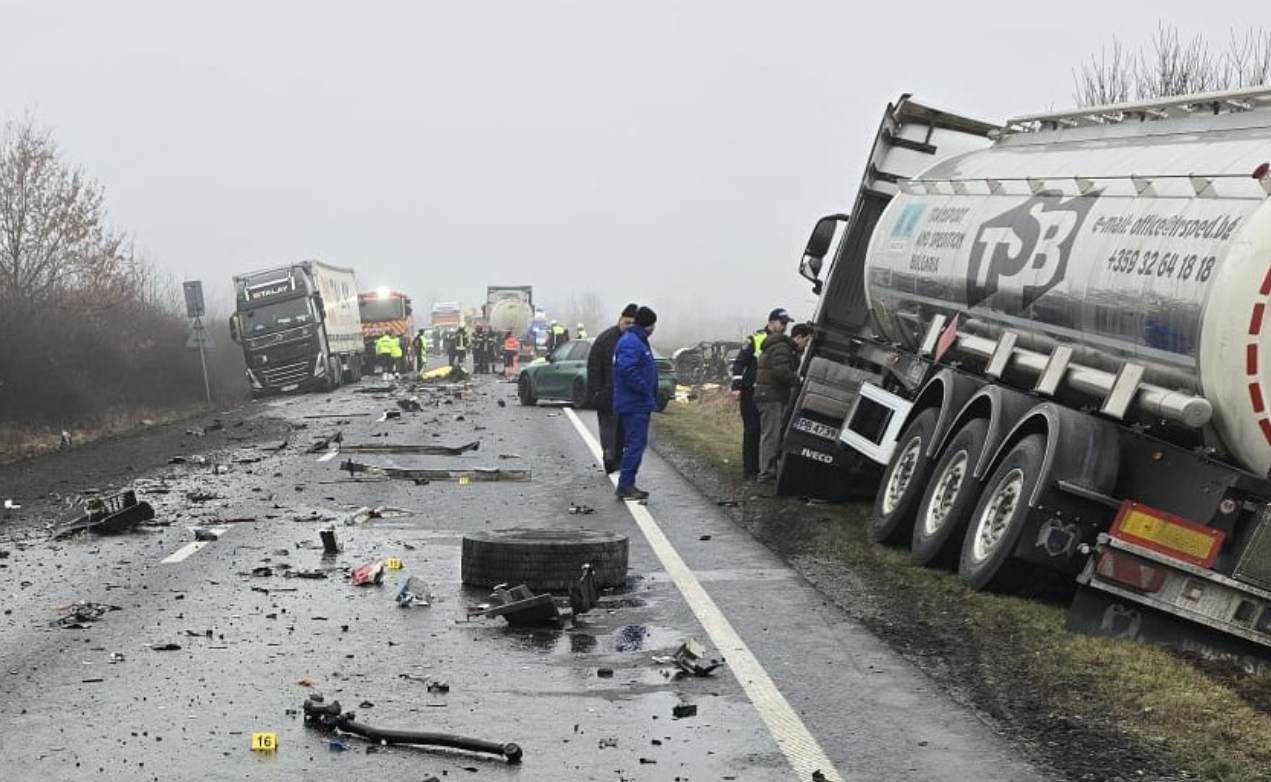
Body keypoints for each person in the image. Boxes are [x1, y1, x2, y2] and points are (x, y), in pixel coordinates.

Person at [731, 308, 791, 480]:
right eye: (783, 323)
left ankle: (763, 468)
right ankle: (750, 470)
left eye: (787, 323)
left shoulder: (784, 342)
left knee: (767, 432)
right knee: (752, 430)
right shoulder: (755, 339)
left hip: (769, 394)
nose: (785, 326)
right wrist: (736, 386)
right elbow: (739, 364)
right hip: (750, 392)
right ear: (771, 322)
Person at [754, 323, 813, 481]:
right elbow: (781, 372)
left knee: (771, 434)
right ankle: (766, 472)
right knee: (770, 435)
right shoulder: (783, 349)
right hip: (771, 396)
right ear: (799, 337)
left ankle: (768, 469)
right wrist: (799, 380)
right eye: (806, 341)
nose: (806, 345)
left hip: (768, 394)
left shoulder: (784, 348)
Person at [586, 303, 638, 474]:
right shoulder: (605, 340)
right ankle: (609, 457)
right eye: (627, 323)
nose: (629, 327)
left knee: (623, 429)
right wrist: (595, 390)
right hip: (607, 393)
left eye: (633, 324)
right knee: (608, 427)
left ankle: (618, 459)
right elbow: (593, 367)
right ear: (620, 320)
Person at [613, 306, 658, 501]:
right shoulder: (632, 342)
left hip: (637, 402)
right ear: (647, 324)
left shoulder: (637, 340)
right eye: (653, 324)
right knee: (635, 444)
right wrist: (643, 388)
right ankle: (625, 485)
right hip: (634, 402)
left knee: (636, 443)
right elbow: (627, 369)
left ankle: (627, 483)